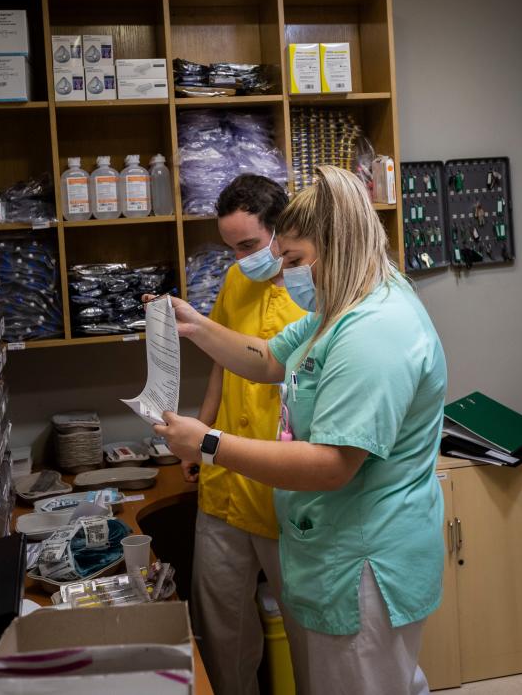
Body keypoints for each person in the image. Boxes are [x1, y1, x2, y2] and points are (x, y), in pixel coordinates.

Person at [152, 165, 447, 695]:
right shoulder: (342, 306)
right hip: (335, 544)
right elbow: (268, 357)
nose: (285, 272)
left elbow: (333, 464)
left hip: (365, 557)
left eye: (294, 259)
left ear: (337, 246)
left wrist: (209, 443)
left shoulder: (375, 331)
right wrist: (195, 325)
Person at [189, 174, 311, 695]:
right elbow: (221, 359)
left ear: (279, 232)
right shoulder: (237, 280)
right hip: (222, 481)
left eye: (248, 245)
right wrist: (201, 428)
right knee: (222, 635)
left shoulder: (311, 292)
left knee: (309, 639)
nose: (240, 258)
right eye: (230, 248)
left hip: (281, 488)